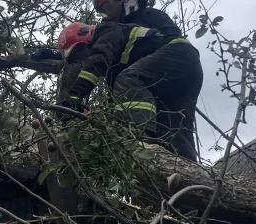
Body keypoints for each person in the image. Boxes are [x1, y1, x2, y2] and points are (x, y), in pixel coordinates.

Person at [57, 15, 202, 161]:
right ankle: (187, 167)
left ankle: (140, 140)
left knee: (128, 79)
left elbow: (98, 60)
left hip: (177, 52)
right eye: (77, 58)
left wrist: (75, 95)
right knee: (174, 125)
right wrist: (96, 115)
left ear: (85, 34)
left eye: (80, 51)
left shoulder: (106, 32)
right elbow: (119, 99)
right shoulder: (117, 65)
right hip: (183, 69)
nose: (83, 57)